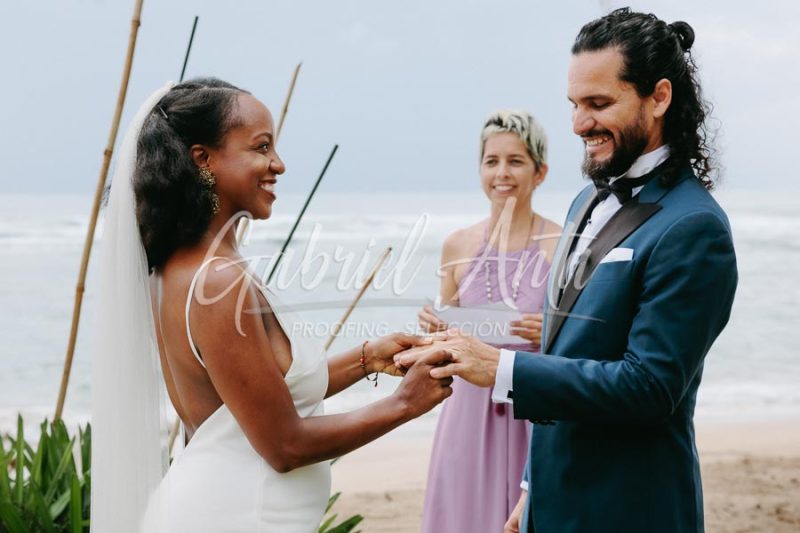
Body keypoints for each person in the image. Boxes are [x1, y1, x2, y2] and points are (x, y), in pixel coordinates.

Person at [397, 8, 738, 533]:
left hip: (629, 509)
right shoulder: (584, 203)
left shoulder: (695, 228)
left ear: (660, 97)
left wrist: (501, 368)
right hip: (551, 501)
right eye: (575, 105)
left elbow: (649, 387)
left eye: (599, 104)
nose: (580, 124)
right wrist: (532, 485)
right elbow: (566, 356)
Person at [90, 78, 453, 533]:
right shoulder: (218, 282)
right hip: (235, 518)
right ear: (203, 159)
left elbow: (258, 395)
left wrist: (366, 360)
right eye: (261, 147)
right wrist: (404, 404)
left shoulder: (179, 268)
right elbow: (284, 444)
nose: (277, 164)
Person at [417, 110, 560, 533]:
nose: (502, 173)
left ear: (540, 171)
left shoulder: (561, 243)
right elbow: (445, 349)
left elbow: (586, 342)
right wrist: (434, 332)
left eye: (516, 161)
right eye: (491, 161)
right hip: (468, 410)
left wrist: (553, 330)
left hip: (532, 410)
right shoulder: (456, 245)